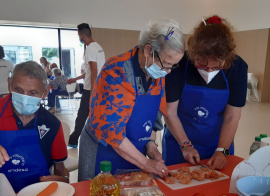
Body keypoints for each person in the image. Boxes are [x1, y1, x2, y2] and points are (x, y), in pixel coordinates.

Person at [78, 18, 185, 181]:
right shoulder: (116, 72)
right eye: (167, 64)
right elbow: (113, 134)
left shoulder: (157, 72)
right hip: (103, 152)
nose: (168, 71)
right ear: (148, 50)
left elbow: (152, 117)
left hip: (135, 153)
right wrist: (147, 164)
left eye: (173, 65)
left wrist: (151, 145)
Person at [162, 15, 248, 170]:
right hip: (178, 141)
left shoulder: (237, 67)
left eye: (217, 67)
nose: (209, 70)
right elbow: (170, 113)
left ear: (226, 59)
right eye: (202, 64)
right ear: (194, 54)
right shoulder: (178, 65)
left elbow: (232, 116)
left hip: (218, 143)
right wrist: (185, 145)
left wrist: (223, 150)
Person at [0, 61, 69, 193]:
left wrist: (64, 180)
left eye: (32, 93)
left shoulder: (52, 124)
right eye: (19, 90)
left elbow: (60, 169)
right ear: (9, 84)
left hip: (36, 195)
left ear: (45, 93)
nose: (25, 98)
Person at [67, 23, 105, 148]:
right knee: (95, 116)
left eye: (79, 35)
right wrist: (75, 79)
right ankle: (98, 140)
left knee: (82, 116)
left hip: (91, 89)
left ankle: (73, 141)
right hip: (99, 88)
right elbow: (90, 73)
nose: (79, 37)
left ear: (82, 35)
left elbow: (94, 73)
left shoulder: (89, 49)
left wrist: (92, 94)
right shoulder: (99, 47)